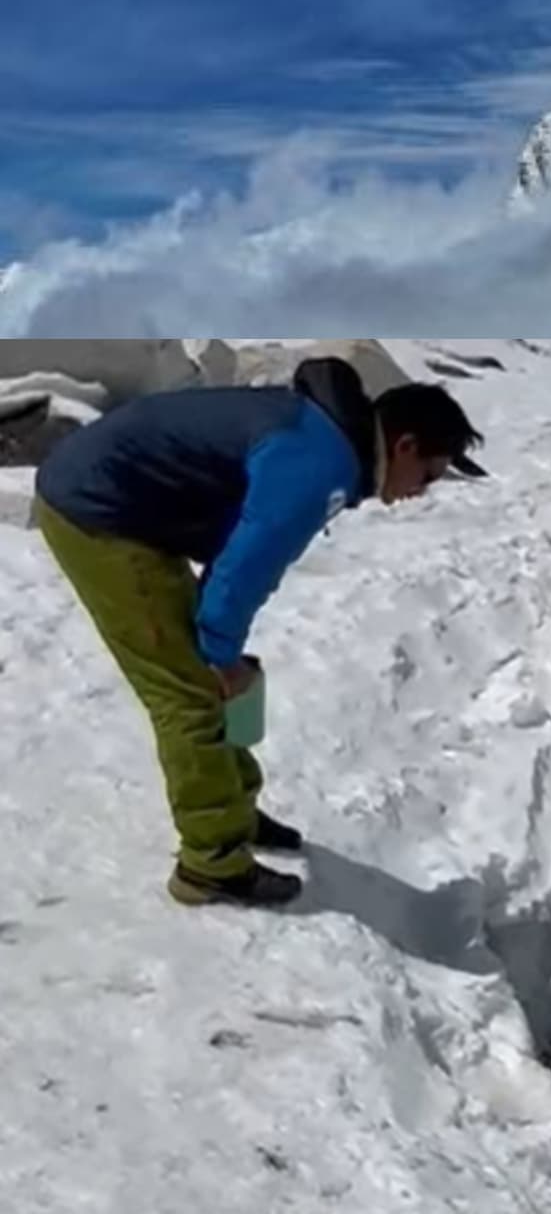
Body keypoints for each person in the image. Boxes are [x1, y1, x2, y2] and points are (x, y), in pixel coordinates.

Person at [31, 356, 485, 909]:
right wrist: (219, 652)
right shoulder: (319, 463)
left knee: (222, 668)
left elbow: (241, 548)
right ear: (406, 446)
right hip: (97, 512)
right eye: (430, 475)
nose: (423, 491)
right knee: (190, 693)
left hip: (131, 508)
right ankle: (211, 864)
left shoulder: (326, 443)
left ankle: (234, 810)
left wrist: (223, 646)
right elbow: (249, 563)